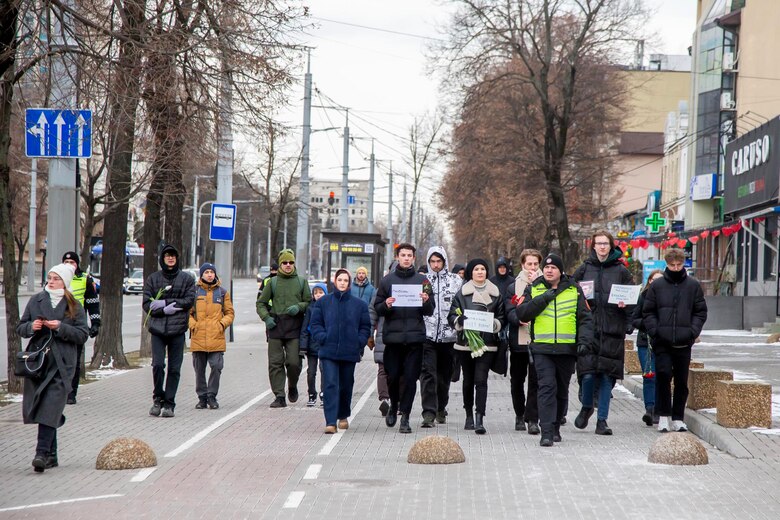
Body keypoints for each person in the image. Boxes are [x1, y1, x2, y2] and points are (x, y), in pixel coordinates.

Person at [517, 253, 594, 447]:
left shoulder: (574, 289)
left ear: (561, 271)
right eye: (547, 267)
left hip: (566, 350)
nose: (549, 270)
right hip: (542, 349)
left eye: (554, 268)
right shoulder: (534, 288)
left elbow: (585, 318)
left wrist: (584, 341)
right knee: (546, 388)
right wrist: (544, 298)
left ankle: (556, 427)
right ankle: (546, 432)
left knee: (561, 390)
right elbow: (522, 313)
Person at [18, 263, 89, 472]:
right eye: (49, 277)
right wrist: (32, 327)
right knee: (44, 406)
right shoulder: (36, 300)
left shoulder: (74, 305)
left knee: (51, 406)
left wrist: (60, 327)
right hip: (39, 362)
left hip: (62, 364)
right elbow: (21, 327)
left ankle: (41, 453)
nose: (51, 281)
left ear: (64, 282)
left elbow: (82, 334)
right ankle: (52, 455)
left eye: (56, 278)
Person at [572, 230, 635, 436]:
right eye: (598, 243)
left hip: (612, 331)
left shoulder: (621, 271)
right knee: (587, 375)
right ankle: (587, 406)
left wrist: (628, 318)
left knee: (608, 378)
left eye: (605, 244)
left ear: (611, 246)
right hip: (589, 330)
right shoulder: (584, 269)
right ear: (593, 246)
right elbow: (571, 294)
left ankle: (602, 421)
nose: (602, 247)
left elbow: (633, 301)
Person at [642, 248, 708, 433]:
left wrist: (692, 332)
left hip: (684, 341)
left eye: (679, 265)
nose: (676, 268)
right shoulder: (657, 285)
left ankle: (678, 417)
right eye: (672, 265)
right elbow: (648, 311)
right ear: (667, 264)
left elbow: (700, 311)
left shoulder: (692, 285)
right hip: (662, 341)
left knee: (681, 381)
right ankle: (663, 416)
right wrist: (655, 331)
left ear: (683, 264)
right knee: (663, 376)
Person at [374, 243, 435, 434]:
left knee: (410, 379)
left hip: (415, 339)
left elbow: (430, 310)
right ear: (397, 257)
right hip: (393, 340)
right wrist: (386, 304)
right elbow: (377, 307)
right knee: (392, 377)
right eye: (403, 255)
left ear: (414, 258)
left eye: (409, 255)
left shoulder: (422, 280)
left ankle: (405, 416)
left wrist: (426, 301)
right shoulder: (387, 281)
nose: (406, 258)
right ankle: (393, 405)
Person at [448, 258, 506, 434]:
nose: (480, 272)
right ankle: (468, 415)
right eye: (476, 269)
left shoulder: (495, 293)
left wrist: (495, 324)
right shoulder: (462, 293)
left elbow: (502, 317)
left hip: (487, 343)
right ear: (470, 273)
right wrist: (459, 320)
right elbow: (452, 315)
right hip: (466, 344)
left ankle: (480, 417)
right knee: (468, 380)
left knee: (481, 380)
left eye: (483, 269)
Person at [310, 269, 372, 433]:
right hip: (328, 350)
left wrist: (358, 341)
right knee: (330, 384)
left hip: (349, 351)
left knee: (346, 385)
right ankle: (330, 421)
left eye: (345, 280)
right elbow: (315, 324)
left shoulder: (359, 305)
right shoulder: (323, 302)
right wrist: (323, 337)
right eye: (340, 280)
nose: (342, 283)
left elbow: (365, 326)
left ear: (349, 282)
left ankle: (343, 415)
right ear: (335, 282)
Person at [143, 244, 196, 418]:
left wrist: (167, 303)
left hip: (177, 330)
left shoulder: (187, 279)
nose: (170, 258)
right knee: (158, 365)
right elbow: (147, 304)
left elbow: (189, 300)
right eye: (167, 256)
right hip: (158, 330)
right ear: (163, 259)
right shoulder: (153, 279)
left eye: (173, 255)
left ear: (177, 258)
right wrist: (162, 310)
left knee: (174, 369)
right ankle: (157, 398)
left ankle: (169, 404)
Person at [256, 249, 312, 408]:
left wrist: (299, 307)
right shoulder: (272, 282)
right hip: (275, 326)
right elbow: (260, 303)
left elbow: (309, 302)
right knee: (275, 363)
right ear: (280, 265)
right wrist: (266, 318)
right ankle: (279, 396)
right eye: (285, 262)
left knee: (294, 362)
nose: (288, 265)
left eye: (291, 262)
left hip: (294, 327)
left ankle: (292, 385)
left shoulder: (301, 282)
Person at [421, 246, 462, 427]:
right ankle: (428, 413)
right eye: (432, 261)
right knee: (428, 375)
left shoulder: (455, 281)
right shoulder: (423, 280)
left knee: (444, 377)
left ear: (444, 262)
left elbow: (462, 303)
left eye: (439, 261)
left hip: (449, 337)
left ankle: (441, 407)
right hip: (428, 336)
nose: (436, 265)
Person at [505, 248, 543, 435]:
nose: (533, 268)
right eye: (529, 264)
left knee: (536, 381)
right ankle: (519, 414)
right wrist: (517, 319)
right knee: (517, 380)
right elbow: (508, 310)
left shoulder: (546, 284)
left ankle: (533, 418)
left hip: (539, 339)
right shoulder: (513, 287)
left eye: (536, 264)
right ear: (522, 265)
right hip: (518, 340)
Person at [189, 262, 235, 410]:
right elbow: (187, 313)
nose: (209, 275)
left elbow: (230, 313)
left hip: (216, 337)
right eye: (206, 272)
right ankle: (202, 398)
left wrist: (221, 324)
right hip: (199, 337)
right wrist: (193, 325)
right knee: (199, 370)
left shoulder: (222, 292)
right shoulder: (194, 291)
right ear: (202, 275)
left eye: (211, 272)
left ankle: (212, 396)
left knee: (216, 366)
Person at [61, 251, 100, 405]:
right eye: (66, 262)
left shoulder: (85, 279)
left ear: (77, 264)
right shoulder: (56, 277)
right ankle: (59, 391)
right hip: (59, 323)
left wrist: (95, 323)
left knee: (74, 361)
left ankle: (71, 393)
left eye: (72, 262)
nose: (69, 265)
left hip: (77, 324)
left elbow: (92, 303)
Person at [632, 269, 664, 426]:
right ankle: (649, 409)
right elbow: (634, 319)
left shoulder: (667, 297)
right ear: (649, 281)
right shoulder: (643, 297)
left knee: (661, 376)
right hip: (645, 342)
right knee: (649, 376)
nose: (656, 283)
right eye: (653, 280)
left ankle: (659, 409)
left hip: (663, 342)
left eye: (660, 280)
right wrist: (648, 324)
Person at [300, 282, 328, 406]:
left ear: (325, 293)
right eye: (316, 293)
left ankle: (324, 394)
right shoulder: (310, 308)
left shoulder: (329, 308)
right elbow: (305, 329)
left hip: (324, 346)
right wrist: (303, 346)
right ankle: (311, 393)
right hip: (311, 346)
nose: (318, 295)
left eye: (321, 292)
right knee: (311, 372)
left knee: (324, 370)